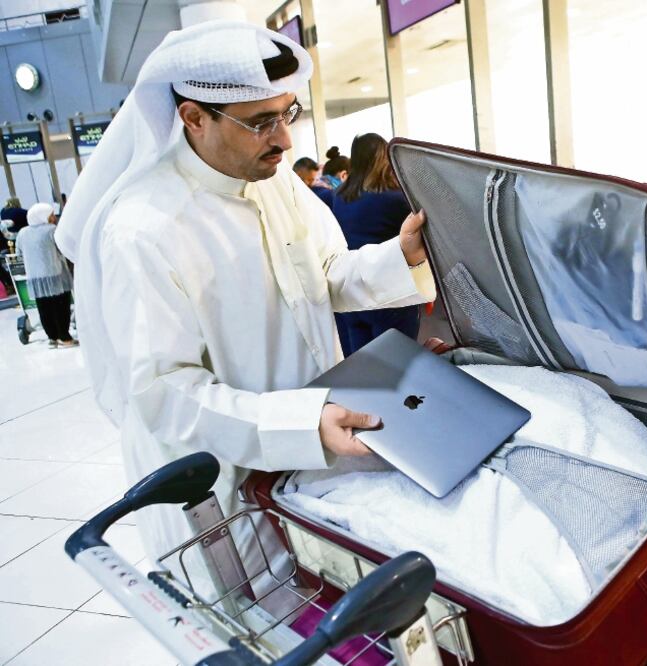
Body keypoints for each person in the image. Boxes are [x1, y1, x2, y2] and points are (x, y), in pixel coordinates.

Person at [54, 21, 434, 581]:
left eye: (288, 114)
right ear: (194, 118)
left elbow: (326, 272)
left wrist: (400, 256)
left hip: (310, 455)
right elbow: (167, 393)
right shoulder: (142, 230)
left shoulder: (273, 179)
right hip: (219, 493)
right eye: (260, 123)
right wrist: (299, 425)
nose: (284, 140)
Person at [332, 133, 422, 356]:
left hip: (352, 295)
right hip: (390, 295)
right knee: (396, 367)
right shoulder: (396, 199)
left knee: (364, 368)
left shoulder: (338, 196)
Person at [16, 203, 76, 347]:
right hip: (55, 275)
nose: (54, 218)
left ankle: (52, 338)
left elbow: (19, 253)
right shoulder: (52, 230)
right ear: (43, 216)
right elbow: (63, 248)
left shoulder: (22, 233)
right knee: (61, 307)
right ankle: (65, 337)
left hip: (35, 278)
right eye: (51, 215)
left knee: (44, 309)